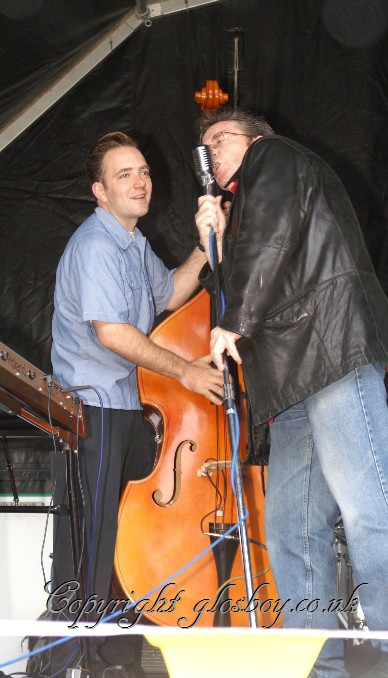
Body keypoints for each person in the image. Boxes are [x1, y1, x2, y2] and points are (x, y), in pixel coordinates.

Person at [194, 108, 388, 678]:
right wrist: (217, 244)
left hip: (329, 349)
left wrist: (234, 320)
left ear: (251, 137)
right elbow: (251, 270)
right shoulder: (248, 202)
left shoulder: (272, 155)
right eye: (203, 149)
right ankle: (314, 663)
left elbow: (272, 242)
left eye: (218, 140)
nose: (210, 156)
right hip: (291, 377)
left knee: (367, 503)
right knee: (290, 527)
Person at [48, 131, 223, 676]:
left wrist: (205, 244)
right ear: (99, 191)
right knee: (91, 541)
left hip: (124, 408)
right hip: (92, 409)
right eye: (124, 174)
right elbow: (115, 334)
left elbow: (168, 293)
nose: (140, 181)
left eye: (143, 171)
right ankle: (69, 661)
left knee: (123, 536)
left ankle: (111, 657)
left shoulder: (131, 241)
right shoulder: (96, 246)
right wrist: (186, 371)